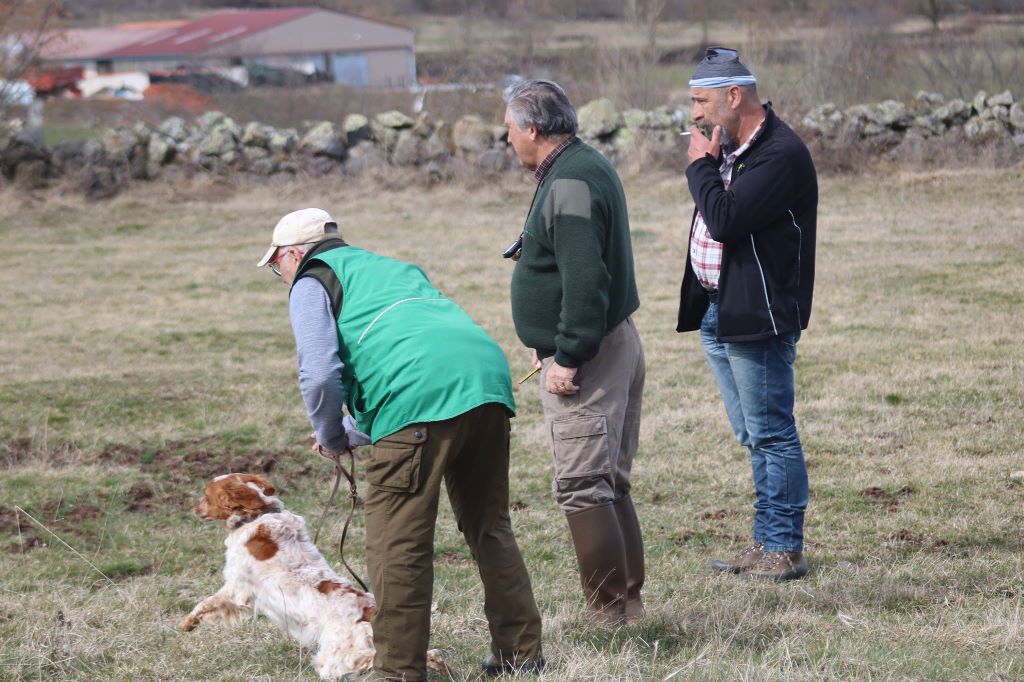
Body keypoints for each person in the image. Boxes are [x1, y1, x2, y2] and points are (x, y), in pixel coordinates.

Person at [257, 208, 544, 680]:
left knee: (397, 544)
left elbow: (321, 374)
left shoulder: (311, 281)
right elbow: (409, 351)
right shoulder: (390, 269)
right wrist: (352, 432)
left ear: (293, 255)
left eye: (276, 267)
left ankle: (397, 671)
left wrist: (331, 436)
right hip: (486, 384)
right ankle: (521, 654)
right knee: (490, 527)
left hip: (420, 395)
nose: (281, 275)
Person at [503, 79, 646, 625]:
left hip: (592, 354)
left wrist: (567, 354)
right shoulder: (584, 164)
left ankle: (608, 614)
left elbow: (586, 279)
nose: (509, 139)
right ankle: (627, 604)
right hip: (606, 341)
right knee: (607, 481)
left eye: (511, 129)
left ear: (533, 129)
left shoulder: (568, 182)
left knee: (585, 485)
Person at [678, 47, 817, 582]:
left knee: (772, 431)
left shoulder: (779, 154)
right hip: (722, 311)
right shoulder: (733, 148)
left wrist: (698, 168)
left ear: (734, 96)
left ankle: (783, 548)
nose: (695, 113)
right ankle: (766, 543)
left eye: (701, 100)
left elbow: (726, 219)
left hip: (756, 313)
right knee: (753, 432)